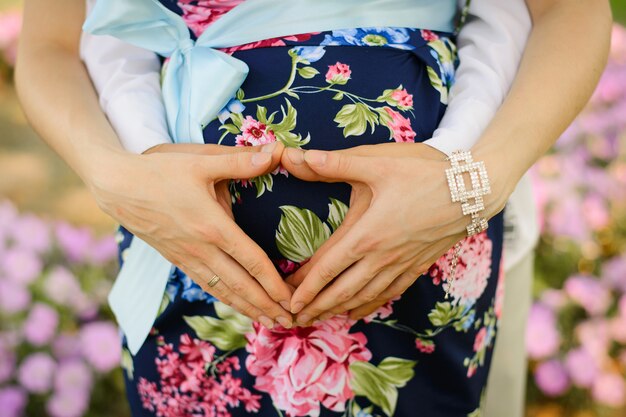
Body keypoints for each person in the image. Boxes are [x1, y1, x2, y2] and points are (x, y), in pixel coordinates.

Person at [15, 0, 611, 416]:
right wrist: (117, 176)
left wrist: (473, 181)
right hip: (182, 262)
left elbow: (567, 10)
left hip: (429, 253)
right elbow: (52, 41)